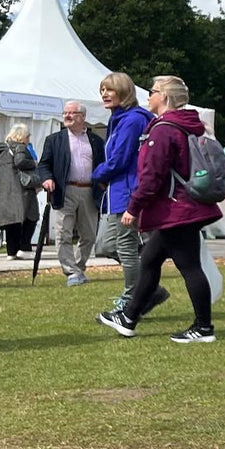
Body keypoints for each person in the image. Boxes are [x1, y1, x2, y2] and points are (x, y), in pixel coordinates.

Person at [96, 76, 222, 343]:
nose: (148, 96)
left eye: (152, 92)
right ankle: (128, 318)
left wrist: (134, 206)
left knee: (189, 267)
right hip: (185, 205)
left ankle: (203, 327)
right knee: (150, 260)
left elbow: (152, 175)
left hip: (175, 209)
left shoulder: (164, 129)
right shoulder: (189, 125)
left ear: (164, 97)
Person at [92, 72, 160, 316]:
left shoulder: (131, 120)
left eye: (110, 89)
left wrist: (96, 175)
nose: (105, 94)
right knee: (105, 245)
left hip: (127, 191)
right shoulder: (120, 119)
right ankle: (150, 288)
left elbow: (119, 159)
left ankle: (133, 299)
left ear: (124, 92)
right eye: (102, 90)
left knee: (125, 246)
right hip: (117, 191)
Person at [39, 101, 106, 286]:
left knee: (89, 235)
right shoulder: (54, 139)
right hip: (64, 190)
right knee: (63, 233)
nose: (67, 116)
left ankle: (79, 267)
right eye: (65, 113)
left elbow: (104, 164)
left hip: (89, 191)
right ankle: (71, 271)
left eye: (72, 113)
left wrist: (104, 184)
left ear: (82, 117)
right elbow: (43, 164)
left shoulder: (96, 141)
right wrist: (47, 178)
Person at [0, 123, 39, 257]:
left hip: (5, 190)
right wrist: (34, 164)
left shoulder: (0, 150)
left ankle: (11, 252)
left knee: (11, 221)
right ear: (21, 136)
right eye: (27, 136)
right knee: (31, 217)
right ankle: (24, 248)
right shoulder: (21, 147)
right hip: (22, 189)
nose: (28, 138)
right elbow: (20, 162)